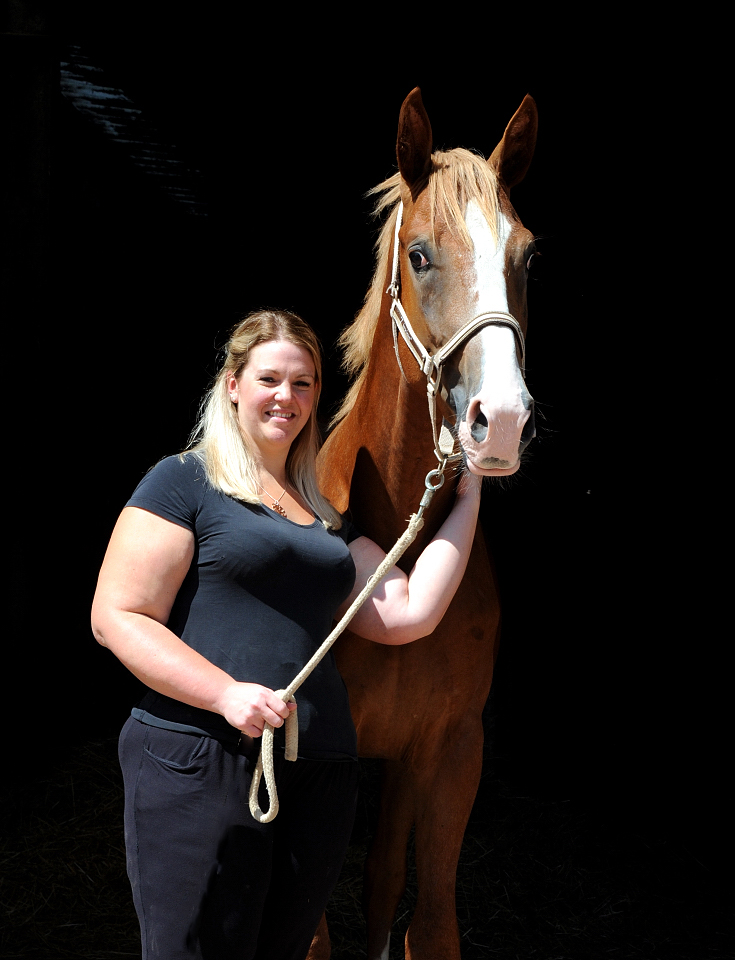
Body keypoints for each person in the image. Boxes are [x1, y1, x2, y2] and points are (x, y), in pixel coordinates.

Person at [91, 308, 482, 960]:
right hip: (202, 756)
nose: (287, 398)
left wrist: (465, 498)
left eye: (304, 384)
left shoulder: (321, 519)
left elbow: (408, 612)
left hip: (317, 771)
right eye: (270, 378)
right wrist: (223, 695)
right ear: (233, 386)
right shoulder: (185, 481)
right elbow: (117, 616)